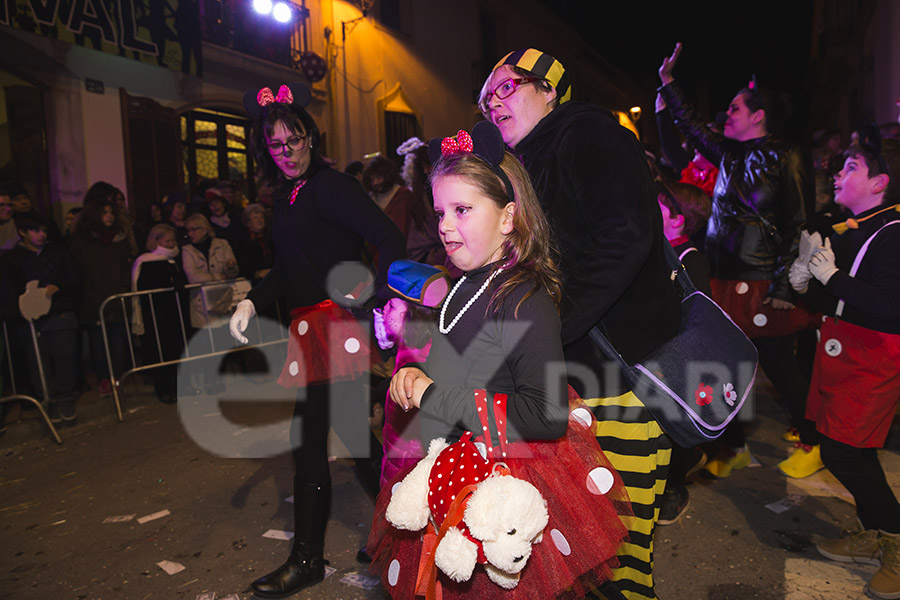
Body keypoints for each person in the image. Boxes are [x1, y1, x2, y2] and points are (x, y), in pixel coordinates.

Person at [369, 121, 630, 600]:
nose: (445, 225)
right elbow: (452, 366)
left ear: (508, 217)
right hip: (460, 465)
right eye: (441, 210)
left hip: (510, 475)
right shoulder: (462, 285)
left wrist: (436, 395)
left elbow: (546, 415)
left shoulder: (522, 296)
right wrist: (416, 373)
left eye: (462, 210)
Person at [480, 48, 680, 600]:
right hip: (572, 377)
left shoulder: (589, 135)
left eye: (508, 87)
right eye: (486, 94)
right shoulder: (521, 165)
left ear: (550, 90)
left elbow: (625, 240)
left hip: (624, 375)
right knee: (576, 544)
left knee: (620, 549)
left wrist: (552, 328)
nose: (494, 101)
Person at [228, 82, 405, 598]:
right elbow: (286, 270)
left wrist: (377, 298)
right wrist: (251, 301)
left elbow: (387, 237)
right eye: (276, 145)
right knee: (353, 436)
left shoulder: (331, 186)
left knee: (308, 442)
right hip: (309, 328)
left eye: (295, 139)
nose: (287, 153)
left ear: (310, 135)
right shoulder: (287, 196)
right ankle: (399, 532)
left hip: (337, 325)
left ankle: (306, 559)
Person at [657, 43, 820, 480]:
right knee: (731, 363)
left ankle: (814, 439)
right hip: (725, 276)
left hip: (766, 279)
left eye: (734, 107)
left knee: (779, 366)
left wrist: (788, 285)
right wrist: (669, 84)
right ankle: (734, 446)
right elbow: (691, 128)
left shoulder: (789, 154)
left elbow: (801, 221)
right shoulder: (727, 152)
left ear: (758, 115)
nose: (726, 114)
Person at [789, 131, 900, 600]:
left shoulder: (893, 231)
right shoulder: (859, 226)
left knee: (842, 451)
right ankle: (873, 533)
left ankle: (895, 540)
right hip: (844, 346)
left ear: (880, 182)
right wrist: (803, 282)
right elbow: (841, 298)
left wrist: (828, 276)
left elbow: (890, 305)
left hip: (872, 355)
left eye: (851, 167)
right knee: (851, 449)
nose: (838, 174)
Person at [655, 182, 712, 526]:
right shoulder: (661, 250)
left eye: (656, 207)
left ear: (677, 220)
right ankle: (688, 457)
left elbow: (698, 314)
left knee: (672, 429)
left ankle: (675, 487)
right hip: (661, 355)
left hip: (680, 361)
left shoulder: (692, 260)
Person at [0, 213, 81, 424]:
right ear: (23, 233)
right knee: (38, 363)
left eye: (44, 231)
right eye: (36, 231)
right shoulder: (12, 259)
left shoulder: (58, 252)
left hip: (60, 312)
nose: (41, 235)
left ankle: (66, 398)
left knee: (65, 358)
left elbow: (75, 276)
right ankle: (48, 399)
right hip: (29, 318)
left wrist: (59, 286)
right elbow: (8, 288)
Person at [69, 193, 134, 397]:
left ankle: (117, 377)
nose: (109, 216)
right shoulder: (83, 241)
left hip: (117, 297)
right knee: (99, 343)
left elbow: (127, 266)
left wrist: (124, 289)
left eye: (111, 212)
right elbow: (78, 270)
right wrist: (92, 292)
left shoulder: (120, 239)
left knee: (117, 341)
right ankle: (104, 378)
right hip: (94, 300)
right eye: (104, 212)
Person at [131, 224, 188, 404]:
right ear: (156, 241)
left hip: (174, 313)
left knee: (176, 350)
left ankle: (179, 386)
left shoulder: (173, 261)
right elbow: (147, 287)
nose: (171, 244)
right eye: (167, 241)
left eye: (173, 241)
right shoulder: (147, 261)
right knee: (161, 352)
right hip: (157, 315)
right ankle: (163, 388)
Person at [363, 156, 415, 240]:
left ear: (388, 176)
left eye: (378, 178)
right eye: (372, 179)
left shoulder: (403, 195)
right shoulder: (370, 198)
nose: (375, 182)